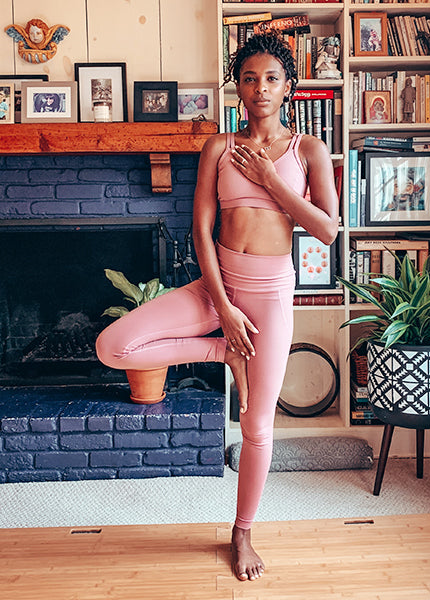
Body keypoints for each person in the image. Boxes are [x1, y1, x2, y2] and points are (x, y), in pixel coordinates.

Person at [95, 32, 339, 582]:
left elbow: (325, 229)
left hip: (270, 296)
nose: (260, 88)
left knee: (257, 426)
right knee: (113, 345)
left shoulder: (308, 150)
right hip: (215, 289)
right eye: (250, 78)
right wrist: (224, 311)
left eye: (272, 78)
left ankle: (243, 530)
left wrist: (272, 181)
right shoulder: (218, 148)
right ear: (238, 87)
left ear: (288, 86)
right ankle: (221, 354)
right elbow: (200, 229)